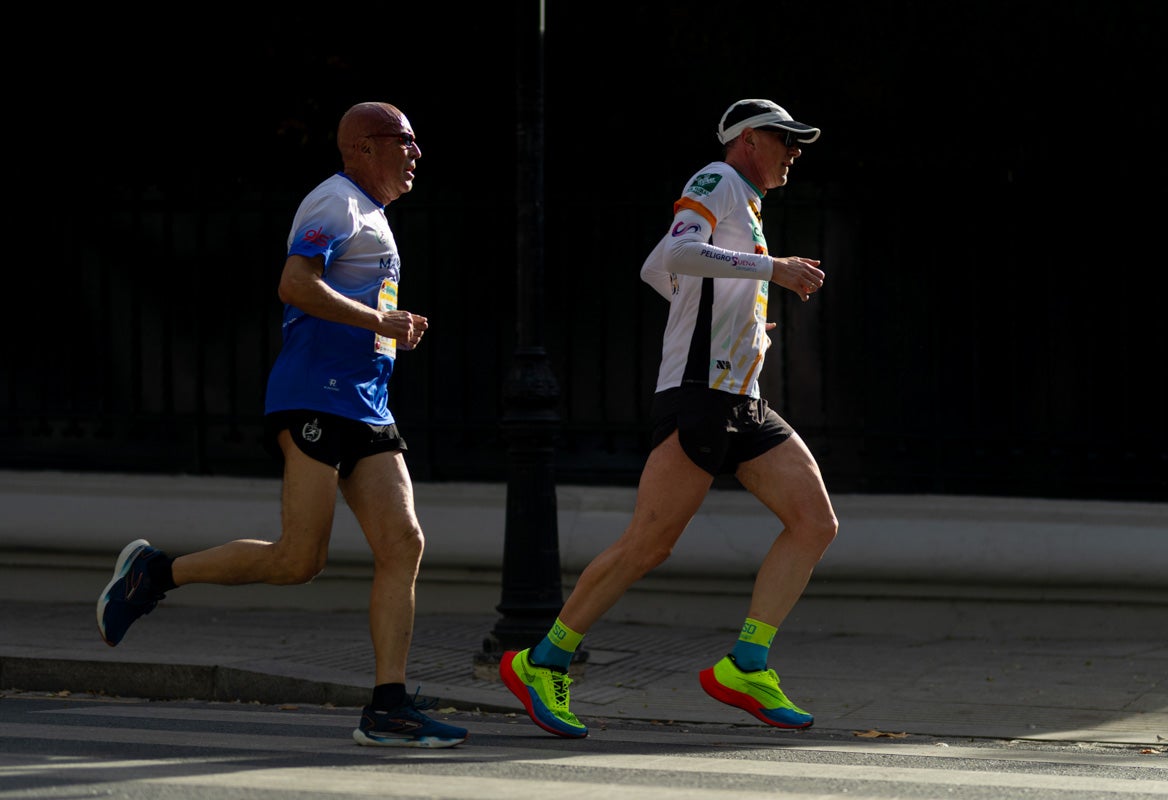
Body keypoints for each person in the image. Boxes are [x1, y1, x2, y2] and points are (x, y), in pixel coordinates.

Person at [96, 101, 468, 749]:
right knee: (299, 559)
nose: (415, 153)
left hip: (367, 403)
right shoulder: (334, 202)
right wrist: (381, 321)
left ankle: (388, 706)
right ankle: (155, 573)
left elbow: (347, 301)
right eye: (403, 141)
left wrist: (386, 329)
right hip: (316, 398)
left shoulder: (372, 214)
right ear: (363, 147)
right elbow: (295, 285)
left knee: (403, 543)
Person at [500, 99, 839, 738]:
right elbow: (680, 254)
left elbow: (654, 266)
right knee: (648, 544)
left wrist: (734, 315)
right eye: (784, 139)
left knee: (815, 522)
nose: (794, 152)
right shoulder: (717, 178)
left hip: (743, 397)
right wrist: (772, 271)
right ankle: (541, 661)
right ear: (747, 140)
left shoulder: (746, 200)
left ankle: (746, 665)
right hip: (699, 394)